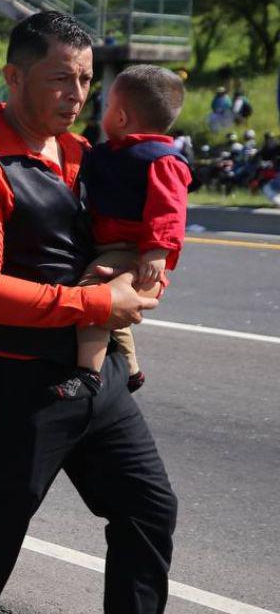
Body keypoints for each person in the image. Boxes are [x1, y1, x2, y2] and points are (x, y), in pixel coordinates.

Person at [0, 12, 176, 614]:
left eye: (86, 80)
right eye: (60, 78)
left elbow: (135, 232)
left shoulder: (85, 155)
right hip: (16, 383)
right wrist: (99, 307)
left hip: (97, 382)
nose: (76, 93)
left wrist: (148, 273)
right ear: (13, 77)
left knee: (149, 511)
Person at [59, 66, 192, 399]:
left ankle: (87, 373)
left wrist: (157, 252)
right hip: (108, 247)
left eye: (106, 108)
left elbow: (169, 209)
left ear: (120, 117)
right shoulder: (107, 153)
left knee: (94, 298)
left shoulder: (161, 160)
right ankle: (131, 372)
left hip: (132, 250)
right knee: (112, 312)